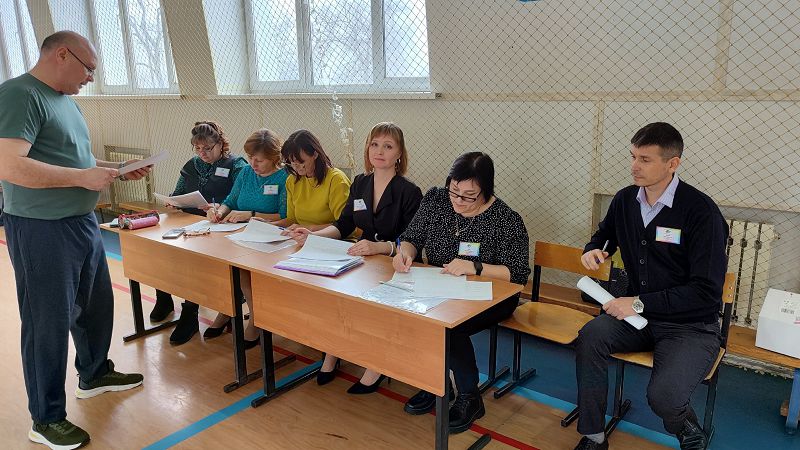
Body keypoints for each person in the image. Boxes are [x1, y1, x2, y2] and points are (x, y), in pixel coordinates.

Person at [0, 30, 146, 449]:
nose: (90, 78)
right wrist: (84, 178)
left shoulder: (64, 99)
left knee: (95, 307)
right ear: (62, 55)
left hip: (81, 221)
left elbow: (73, 158)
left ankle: (94, 373)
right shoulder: (19, 95)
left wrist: (113, 168)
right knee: (46, 323)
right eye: (88, 69)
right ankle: (45, 419)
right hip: (41, 228)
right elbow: (10, 165)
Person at [573, 123, 728, 450]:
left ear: (673, 164)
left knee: (664, 398)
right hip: (638, 317)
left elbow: (706, 292)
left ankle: (686, 426)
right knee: (590, 337)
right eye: (632, 156)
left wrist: (637, 302)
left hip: (690, 326)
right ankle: (594, 435)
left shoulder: (701, 212)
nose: (634, 166)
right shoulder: (624, 200)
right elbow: (605, 234)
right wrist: (594, 249)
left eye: (645, 159)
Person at [393, 152, 530, 433]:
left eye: (469, 196)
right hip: (440, 286)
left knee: (448, 325)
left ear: (486, 191)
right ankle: (436, 383)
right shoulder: (436, 200)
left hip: (492, 295)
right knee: (415, 313)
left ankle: (470, 396)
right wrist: (405, 253)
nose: (457, 200)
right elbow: (412, 238)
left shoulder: (506, 219)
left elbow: (517, 274)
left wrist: (475, 267)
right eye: (454, 191)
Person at [289, 122, 423, 393]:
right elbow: (344, 224)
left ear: (399, 153)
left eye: (388, 146)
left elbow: (414, 240)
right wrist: (314, 236)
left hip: (394, 264)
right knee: (334, 298)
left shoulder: (409, 191)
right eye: (374, 144)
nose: (379, 151)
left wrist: (380, 247)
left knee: (373, 309)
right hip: (363, 259)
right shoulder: (361, 182)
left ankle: (376, 364)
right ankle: (333, 352)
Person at [150, 121, 248, 345]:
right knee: (160, 248)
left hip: (221, 225)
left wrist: (219, 209)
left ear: (220, 144)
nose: (202, 153)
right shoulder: (192, 165)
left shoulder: (236, 165)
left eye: (207, 148)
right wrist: (173, 202)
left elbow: (239, 199)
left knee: (191, 261)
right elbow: (177, 192)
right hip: (191, 223)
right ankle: (163, 296)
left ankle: (190, 311)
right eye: (198, 148)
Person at [203, 128, 289, 346]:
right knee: (220, 265)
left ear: (274, 158)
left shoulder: (284, 177)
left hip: (270, 237)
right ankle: (227, 310)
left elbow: (285, 216)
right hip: (239, 234)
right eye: (250, 157)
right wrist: (219, 211)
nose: (253, 164)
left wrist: (250, 214)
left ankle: (256, 320)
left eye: (259, 160)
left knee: (242, 272)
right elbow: (231, 200)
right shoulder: (246, 173)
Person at [270, 129, 351, 232]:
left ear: (315, 154)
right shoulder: (292, 180)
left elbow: (347, 226)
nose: (296, 167)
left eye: (301, 162)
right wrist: (268, 225)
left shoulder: (336, 180)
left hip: (332, 238)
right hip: (302, 236)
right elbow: (292, 220)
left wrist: (309, 229)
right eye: (291, 162)